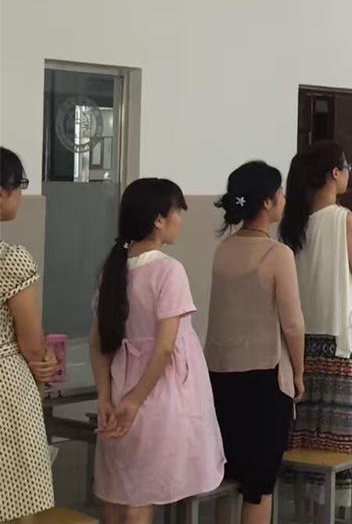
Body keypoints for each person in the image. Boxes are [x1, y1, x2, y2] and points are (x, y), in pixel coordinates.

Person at [90, 178, 224, 524]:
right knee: (142, 496)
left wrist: (105, 397)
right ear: (158, 220)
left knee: (118, 492)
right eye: (177, 212)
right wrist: (136, 400)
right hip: (158, 395)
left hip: (119, 387)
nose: (181, 219)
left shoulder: (112, 270)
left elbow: (98, 342)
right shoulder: (168, 270)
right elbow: (164, 348)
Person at [278, 141, 352, 508]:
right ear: (334, 173)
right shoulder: (343, 219)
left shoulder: (293, 224)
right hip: (340, 344)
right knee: (340, 447)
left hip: (302, 347)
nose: (350, 173)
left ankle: (308, 512)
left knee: (307, 441)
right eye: (346, 166)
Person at [206, 161, 306, 524]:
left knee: (226, 475)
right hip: (265, 379)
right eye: (280, 192)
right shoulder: (277, 254)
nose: (283, 198)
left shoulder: (223, 250)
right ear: (267, 201)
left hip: (220, 377)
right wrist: (299, 372)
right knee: (259, 484)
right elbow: (293, 324)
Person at [0, 147, 57, 521]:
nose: (21, 194)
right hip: (6, 389)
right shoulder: (10, 259)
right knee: (17, 499)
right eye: (19, 184)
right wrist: (43, 362)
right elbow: (32, 343)